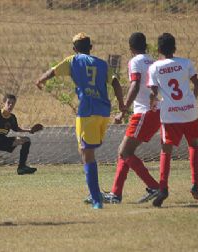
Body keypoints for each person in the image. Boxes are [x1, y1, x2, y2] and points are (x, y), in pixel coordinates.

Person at [35, 32, 125, 209]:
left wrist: (40, 80)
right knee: (88, 152)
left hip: (87, 112)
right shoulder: (102, 64)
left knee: (86, 154)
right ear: (91, 47)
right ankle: (95, 193)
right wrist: (122, 106)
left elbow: (52, 72)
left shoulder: (73, 60)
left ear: (74, 49)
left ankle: (96, 200)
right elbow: (115, 83)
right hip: (103, 112)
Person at [102, 32, 160, 204]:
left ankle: (154, 186)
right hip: (156, 112)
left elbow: (135, 84)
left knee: (124, 151)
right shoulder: (154, 62)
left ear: (131, 48)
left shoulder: (135, 61)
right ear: (146, 46)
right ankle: (116, 194)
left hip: (144, 112)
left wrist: (123, 109)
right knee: (125, 152)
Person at [147, 33, 198, 207]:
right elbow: (197, 85)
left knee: (166, 150)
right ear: (175, 48)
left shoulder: (155, 67)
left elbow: (153, 92)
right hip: (189, 111)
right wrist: (191, 100)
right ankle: (195, 184)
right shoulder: (185, 63)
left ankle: (163, 188)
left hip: (170, 114)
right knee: (193, 145)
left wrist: (153, 104)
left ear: (158, 49)